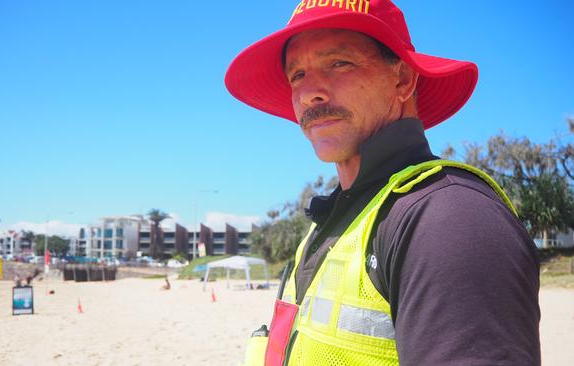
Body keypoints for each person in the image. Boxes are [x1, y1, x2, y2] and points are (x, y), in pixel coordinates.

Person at [225, 1, 540, 365]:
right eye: (297, 75)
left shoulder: (449, 217)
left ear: (403, 79)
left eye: (339, 63)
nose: (310, 93)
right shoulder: (330, 225)